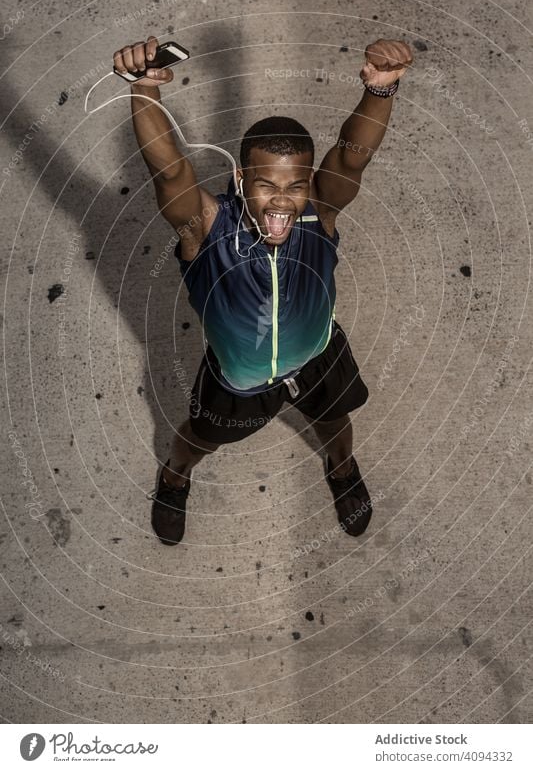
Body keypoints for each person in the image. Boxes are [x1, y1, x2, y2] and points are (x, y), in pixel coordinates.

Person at [115, 35, 413, 546]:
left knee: (335, 422)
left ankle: (340, 470)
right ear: (239, 179)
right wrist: (144, 87)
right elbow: (168, 170)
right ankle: (174, 477)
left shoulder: (321, 210)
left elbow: (351, 160)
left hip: (318, 353)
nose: (282, 201)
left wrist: (380, 91)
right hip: (239, 380)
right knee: (199, 437)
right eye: (265, 185)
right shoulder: (205, 228)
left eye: (295, 186)